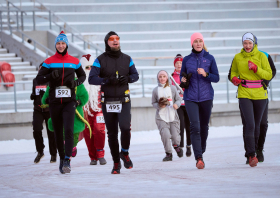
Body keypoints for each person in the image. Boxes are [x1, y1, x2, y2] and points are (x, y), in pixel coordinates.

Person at [88, 31, 139, 174]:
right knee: (112, 133)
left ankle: (125, 152)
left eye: (117, 39)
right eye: (112, 39)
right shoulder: (100, 60)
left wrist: (128, 79)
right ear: (107, 42)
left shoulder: (127, 58)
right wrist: (106, 80)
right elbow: (91, 79)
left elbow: (136, 76)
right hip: (108, 101)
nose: (115, 41)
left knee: (125, 128)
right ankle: (116, 163)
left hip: (124, 99)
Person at [36, 31, 86, 174]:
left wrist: (76, 82)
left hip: (69, 101)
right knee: (57, 132)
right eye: (58, 43)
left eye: (63, 43)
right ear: (55, 45)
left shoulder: (75, 61)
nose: (61, 45)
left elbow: (82, 76)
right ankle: (62, 157)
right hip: (55, 101)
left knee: (68, 129)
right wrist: (50, 76)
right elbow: (39, 79)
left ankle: (67, 160)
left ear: (67, 45)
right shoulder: (49, 61)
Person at [229, 33, 273, 167]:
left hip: (260, 94)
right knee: (250, 124)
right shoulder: (237, 57)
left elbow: (269, 74)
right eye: (245, 43)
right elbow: (233, 73)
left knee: (258, 125)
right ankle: (251, 154)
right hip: (244, 93)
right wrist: (234, 79)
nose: (247, 46)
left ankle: (254, 151)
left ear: (254, 43)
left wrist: (256, 68)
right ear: (242, 44)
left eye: (249, 43)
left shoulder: (261, 56)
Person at [180, 32, 219, 169]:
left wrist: (206, 74)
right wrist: (183, 80)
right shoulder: (186, 59)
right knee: (194, 126)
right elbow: (181, 79)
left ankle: (200, 150)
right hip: (190, 97)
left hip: (206, 97)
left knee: (203, 127)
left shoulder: (210, 58)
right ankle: (199, 158)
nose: (198, 43)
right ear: (192, 43)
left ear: (203, 43)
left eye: (200, 41)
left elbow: (216, 77)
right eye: (195, 41)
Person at [41, 79, 89, 159]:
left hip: (75, 117)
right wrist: (49, 100)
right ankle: (65, 157)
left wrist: (78, 102)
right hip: (58, 116)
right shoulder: (53, 83)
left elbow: (85, 96)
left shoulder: (76, 82)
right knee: (61, 140)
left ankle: (71, 148)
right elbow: (45, 98)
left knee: (73, 137)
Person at [80, 54, 107, 166]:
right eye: (87, 67)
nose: (90, 69)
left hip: (99, 109)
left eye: (92, 66)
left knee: (99, 129)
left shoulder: (101, 79)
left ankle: (100, 154)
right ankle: (93, 157)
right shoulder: (79, 82)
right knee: (88, 133)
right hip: (85, 110)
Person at [152, 70, 183, 161]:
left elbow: (178, 99)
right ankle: (168, 153)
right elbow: (153, 102)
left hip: (172, 115)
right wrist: (159, 105)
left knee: (175, 136)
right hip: (161, 116)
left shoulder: (172, 88)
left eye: (164, 76)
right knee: (165, 134)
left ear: (167, 78)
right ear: (158, 78)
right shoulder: (155, 90)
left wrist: (177, 104)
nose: (162, 78)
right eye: (160, 77)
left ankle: (176, 146)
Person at [30, 63, 57, 164]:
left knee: (51, 132)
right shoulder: (35, 80)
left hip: (49, 110)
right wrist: (33, 95)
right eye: (40, 69)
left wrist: (48, 98)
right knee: (36, 129)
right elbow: (34, 92)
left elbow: (55, 95)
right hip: (38, 109)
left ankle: (53, 153)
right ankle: (40, 151)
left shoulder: (51, 81)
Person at [171, 54, 192, 157]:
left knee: (189, 126)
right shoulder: (172, 76)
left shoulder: (187, 75)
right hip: (178, 104)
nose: (179, 65)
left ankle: (189, 145)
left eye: (181, 63)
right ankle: (181, 146)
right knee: (181, 125)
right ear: (174, 65)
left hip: (187, 102)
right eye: (177, 63)